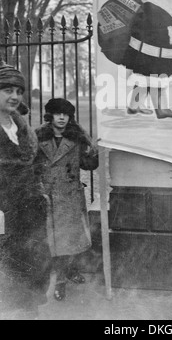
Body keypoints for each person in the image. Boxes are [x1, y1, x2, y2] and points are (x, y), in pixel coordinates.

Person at [0, 56, 51, 319]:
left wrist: (40, 194)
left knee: (31, 262)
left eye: (18, 91)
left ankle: (28, 311)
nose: (15, 96)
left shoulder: (23, 130)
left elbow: (38, 166)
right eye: (7, 90)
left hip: (29, 211)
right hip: (2, 213)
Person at [34, 98, 99, 301]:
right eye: (57, 113)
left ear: (70, 117)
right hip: (48, 196)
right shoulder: (37, 137)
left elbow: (88, 165)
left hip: (69, 195)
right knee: (53, 242)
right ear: (50, 116)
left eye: (66, 114)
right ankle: (60, 280)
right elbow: (31, 164)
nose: (61, 118)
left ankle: (66, 274)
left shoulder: (76, 137)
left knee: (68, 240)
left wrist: (94, 150)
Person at [122, 0, 172, 119]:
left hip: (158, 54)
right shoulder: (149, 11)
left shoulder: (156, 9)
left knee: (144, 82)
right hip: (151, 55)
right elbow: (138, 35)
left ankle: (134, 106)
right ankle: (161, 109)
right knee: (156, 81)